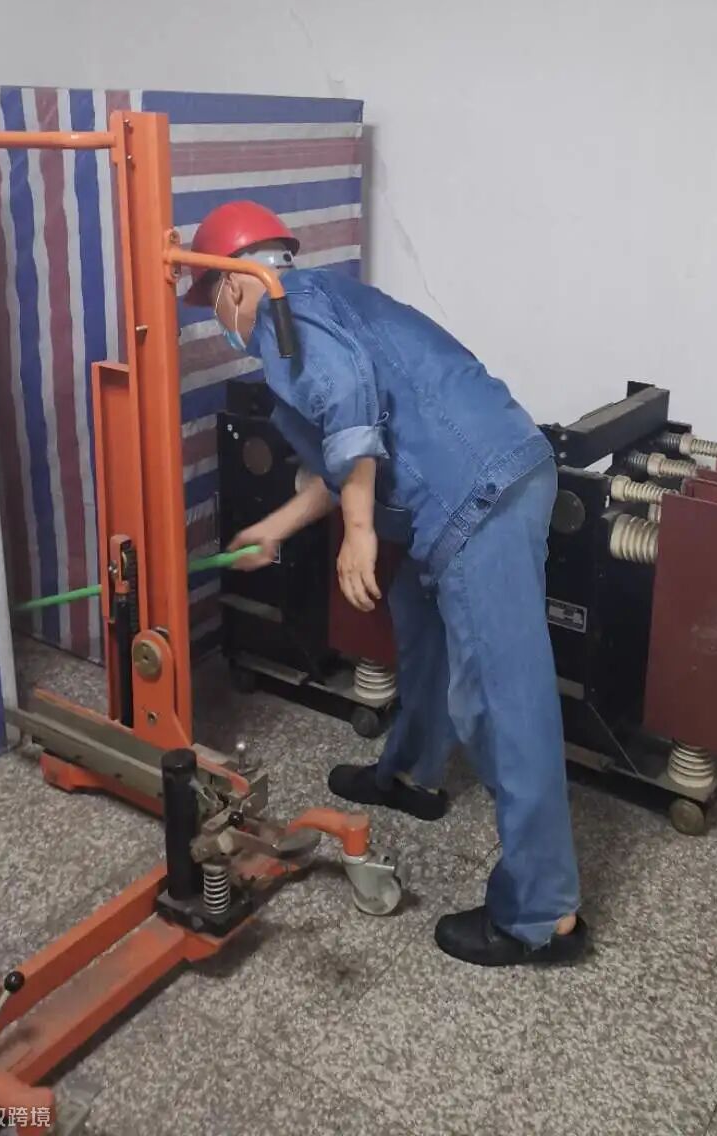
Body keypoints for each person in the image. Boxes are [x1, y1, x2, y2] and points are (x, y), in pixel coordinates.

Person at [186, 200, 585, 966]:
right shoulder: (318, 304)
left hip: (479, 493)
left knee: (501, 700)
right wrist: (275, 529)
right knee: (418, 618)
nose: (218, 321)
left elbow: (349, 408)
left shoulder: (280, 314)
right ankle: (413, 775)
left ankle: (543, 914)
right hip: (473, 483)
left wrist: (361, 532)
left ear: (233, 282)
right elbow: (342, 459)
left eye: (210, 302)